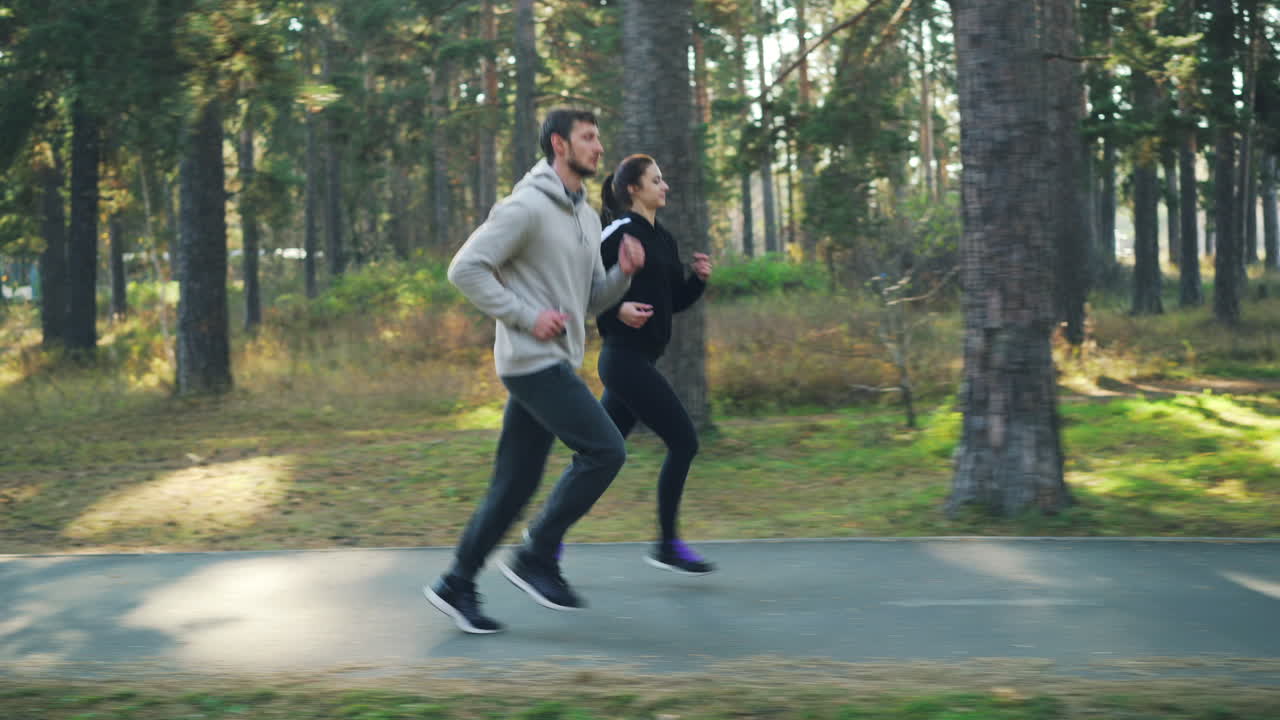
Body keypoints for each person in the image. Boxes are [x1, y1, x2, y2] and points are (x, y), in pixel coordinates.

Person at [423, 109, 646, 634]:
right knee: (606, 449)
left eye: (598, 137)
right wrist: (526, 316)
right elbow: (465, 269)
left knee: (514, 486)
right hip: (531, 362)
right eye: (588, 138)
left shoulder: (587, 217)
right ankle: (536, 554)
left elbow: (588, 299)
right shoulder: (525, 206)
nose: (598, 147)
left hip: (556, 360)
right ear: (559, 145)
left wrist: (622, 274)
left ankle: (456, 582)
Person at [595, 154, 715, 575]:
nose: (665, 186)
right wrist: (616, 311)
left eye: (663, 180)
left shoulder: (663, 238)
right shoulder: (616, 233)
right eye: (656, 180)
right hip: (622, 358)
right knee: (684, 442)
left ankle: (543, 540)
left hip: (641, 360)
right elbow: (583, 293)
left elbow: (672, 301)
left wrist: (697, 281)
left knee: (598, 455)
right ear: (633, 188)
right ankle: (667, 545)